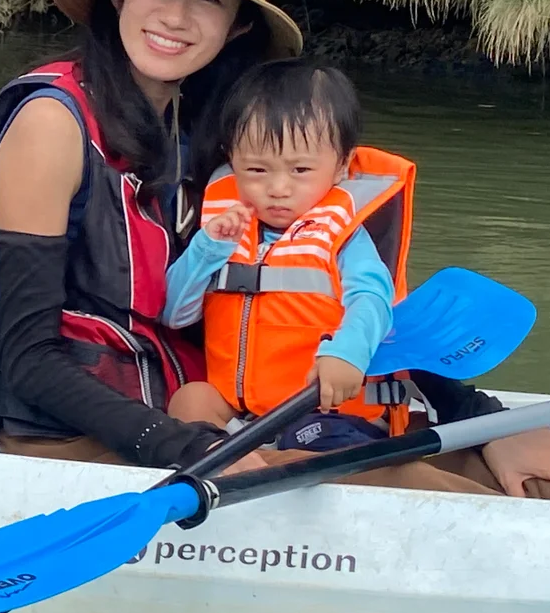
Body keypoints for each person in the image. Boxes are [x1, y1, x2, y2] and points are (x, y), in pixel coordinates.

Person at [0, 0, 550, 502]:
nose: (177, 17)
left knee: (502, 466)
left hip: (224, 410)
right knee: (384, 474)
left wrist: (482, 419)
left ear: (237, 23)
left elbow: (326, 291)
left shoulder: (226, 137)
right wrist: (195, 452)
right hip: (96, 434)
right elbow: (27, 358)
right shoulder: (50, 123)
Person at [163, 60, 420, 448]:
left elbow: (373, 302)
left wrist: (347, 352)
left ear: (341, 167)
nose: (278, 188)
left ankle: (258, 468)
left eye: (300, 169)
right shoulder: (223, 228)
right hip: (240, 414)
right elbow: (174, 313)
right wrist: (207, 249)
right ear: (232, 160)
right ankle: (234, 463)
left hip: (324, 413)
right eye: (256, 170)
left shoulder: (345, 236)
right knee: (190, 400)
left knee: (308, 439)